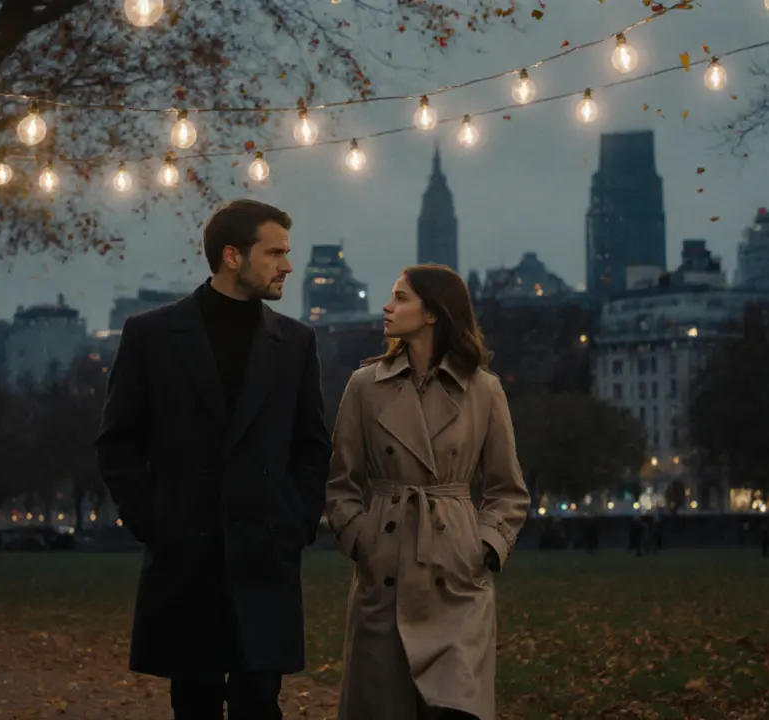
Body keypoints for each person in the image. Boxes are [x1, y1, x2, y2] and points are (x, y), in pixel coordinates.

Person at [95, 199, 332, 720]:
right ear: (232, 256)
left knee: (259, 705)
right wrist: (156, 523)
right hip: (186, 560)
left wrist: (295, 523)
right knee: (194, 705)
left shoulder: (295, 343)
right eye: (274, 253)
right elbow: (118, 443)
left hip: (264, 556)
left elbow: (313, 447)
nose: (288, 266)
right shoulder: (151, 336)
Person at [324, 264, 530, 720]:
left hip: (457, 579)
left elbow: (507, 489)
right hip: (386, 578)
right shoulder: (364, 387)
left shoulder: (484, 390)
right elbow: (340, 483)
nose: (387, 306)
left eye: (400, 297)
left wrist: (483, 547)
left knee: (457, 706)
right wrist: (363, 541)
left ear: (433, 313)